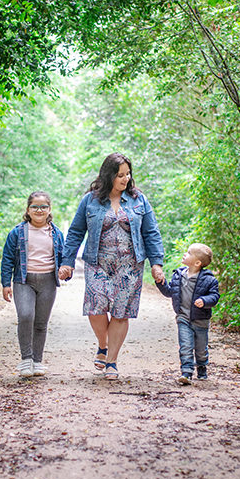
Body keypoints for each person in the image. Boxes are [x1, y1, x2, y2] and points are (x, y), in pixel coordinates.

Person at [58, 152, 165, 380]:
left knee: (121, 312)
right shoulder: (90, 200)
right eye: (120, 175)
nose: (125, 179)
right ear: (109, 176)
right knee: (96, 307)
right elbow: (76, 232)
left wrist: (157, 263)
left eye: (127, 174)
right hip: (98, 261)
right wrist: (67, 262)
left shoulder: (139, 200)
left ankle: (112, 361)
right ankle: (103, 344)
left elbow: (151, 232)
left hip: (130, 264)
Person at [1, 191, 66, 378]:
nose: (39, 210)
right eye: (35, 206)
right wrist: (6, 283)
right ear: (28, 210)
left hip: (48, 281)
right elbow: (7, 259)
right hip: (24, 280)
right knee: (26, 315)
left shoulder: (56, 233)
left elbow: (62, 258)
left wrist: (64, 271)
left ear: (49, 209)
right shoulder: (17, 233)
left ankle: (37, 361)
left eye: (43, 206)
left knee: (40, 323)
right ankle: (26, 360)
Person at [156, 243, 220, 384]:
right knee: (185, 345)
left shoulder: (209, 280)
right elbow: (169, 292)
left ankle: (202, 366)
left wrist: (204, 300)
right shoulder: (179, 275)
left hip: (200, 320)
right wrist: (161, 283)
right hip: (183, 318)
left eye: (189, 253)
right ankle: (187, 372)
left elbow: (215, 297)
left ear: (197, 263)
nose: (185, 254)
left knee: (201, 349)